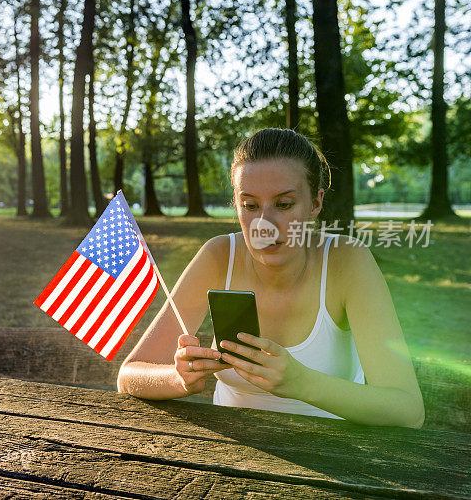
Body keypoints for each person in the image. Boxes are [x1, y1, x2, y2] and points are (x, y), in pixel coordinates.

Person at [117, 128, 424, 428]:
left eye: (284, 204)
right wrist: (178, 378)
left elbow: (407, 409)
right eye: (249, 206)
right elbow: (129, 375)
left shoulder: (346, 261)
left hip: (336, 461)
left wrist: (300, 382)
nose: (264, 225)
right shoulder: (219, 256)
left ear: (316, 203)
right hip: (230, 458)